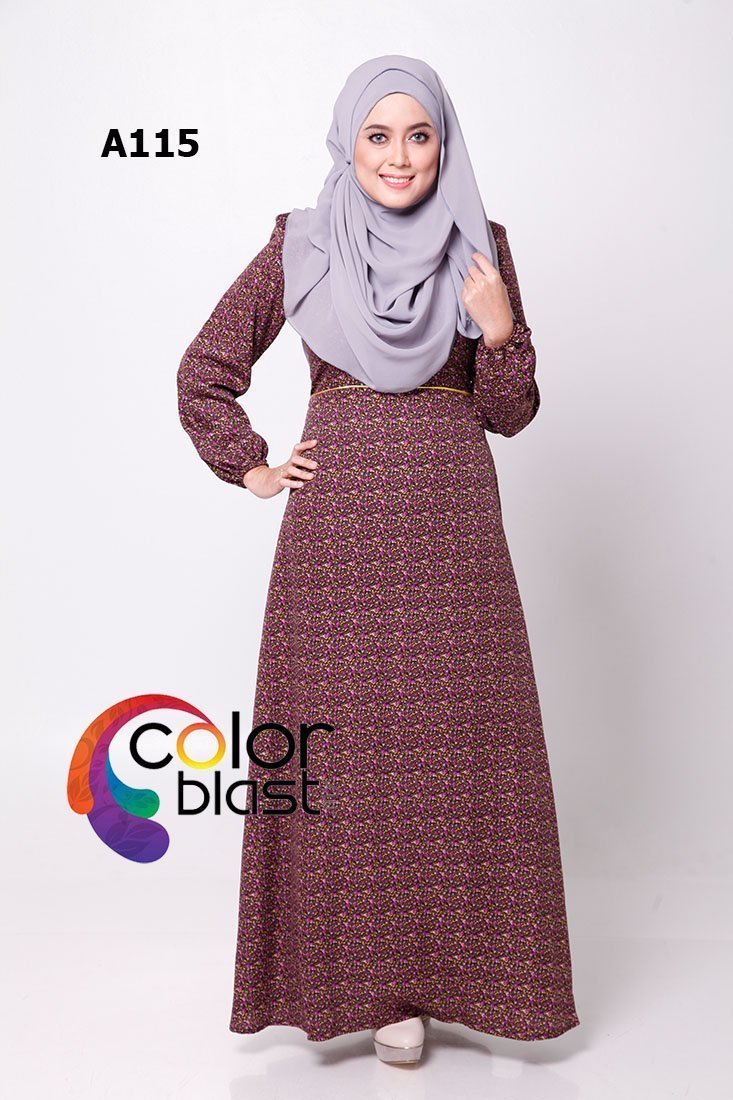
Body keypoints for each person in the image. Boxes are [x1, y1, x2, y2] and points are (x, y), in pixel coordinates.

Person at [177, 54, 580, 1065]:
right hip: (338, 536)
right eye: (377, 136)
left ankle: (460, 977)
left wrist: (500, 334)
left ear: (444, 144)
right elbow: (205, 371)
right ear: (346, 143)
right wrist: (250, 465)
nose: (399, 157)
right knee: (346, 756)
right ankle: (362, 987)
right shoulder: (302, 244)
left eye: (419, 136)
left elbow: (510, 414)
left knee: (461, 748)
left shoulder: (479, 245)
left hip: (453, 534)